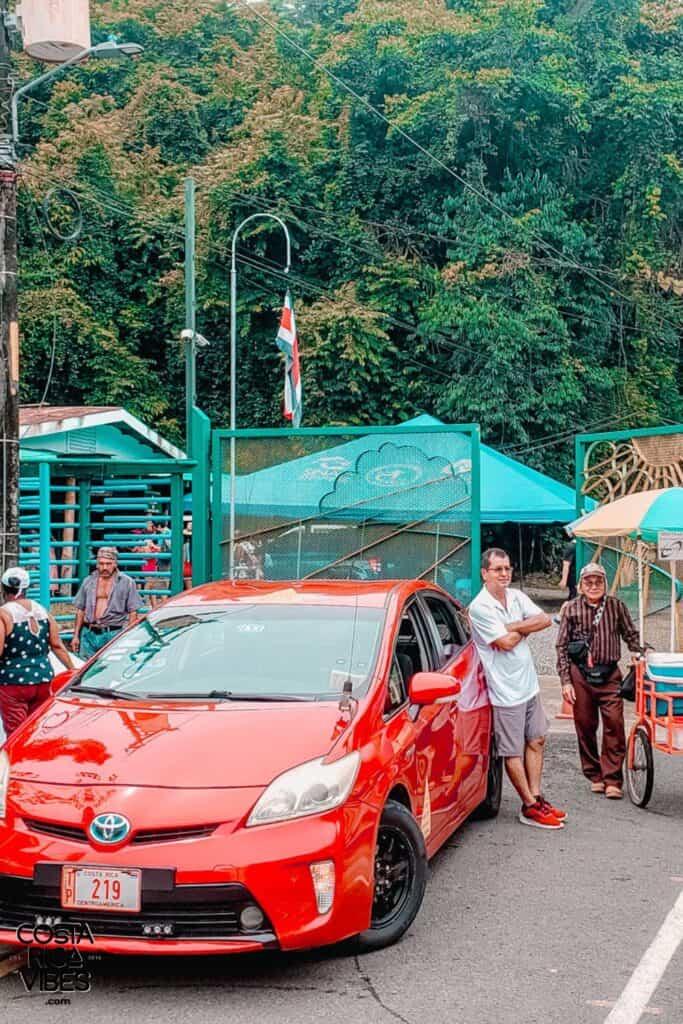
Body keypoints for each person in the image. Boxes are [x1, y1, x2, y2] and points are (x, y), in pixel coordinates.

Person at [469, 548, 566, 830]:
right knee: (511, 751)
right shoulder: (480, 607)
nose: (504, 574)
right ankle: (528, 805)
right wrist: (524, 627)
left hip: (528, 684)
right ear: (484, 573)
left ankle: (536, 796)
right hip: (505, 691)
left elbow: (546, 620)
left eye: (507, 568)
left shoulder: (516, 596)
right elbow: (506, 643)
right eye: (498, 569)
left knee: (536, 739)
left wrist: (512, 625)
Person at [556, 562, 640, 799]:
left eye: (598, 581)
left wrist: (638, 651)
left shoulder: (616, 606)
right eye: (588, 582)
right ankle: (595, 775)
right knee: (584, 724)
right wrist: (565, 681)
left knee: (614, 722)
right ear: (581, 585)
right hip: (580, 674)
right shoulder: (571, 609)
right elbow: (561, 646)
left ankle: (613, 779)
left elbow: (630, 634)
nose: (594, 586)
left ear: (605, 583)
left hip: (610, 673)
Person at [0, 567, 74, 737]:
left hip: (13, 683)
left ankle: (17, 763)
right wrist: (72, 669)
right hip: (43, 679)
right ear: (26, 589)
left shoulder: (4, 614)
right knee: (36, 731)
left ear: (4, 589)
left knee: (16, 735)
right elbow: (57, 645)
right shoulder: (42, 610)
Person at [71, 547, 142, 660]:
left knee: (110, 668)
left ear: (115, 564)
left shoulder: (126, 582)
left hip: (113, 633)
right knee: (85, 670)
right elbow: (80, 610)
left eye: (108, 564)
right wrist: (75, 636)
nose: (104, 567)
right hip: (89, 632)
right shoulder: (88, 581)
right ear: (97, 564)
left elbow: (133, 612)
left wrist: (126, 637)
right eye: (101, 564)